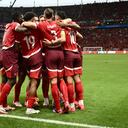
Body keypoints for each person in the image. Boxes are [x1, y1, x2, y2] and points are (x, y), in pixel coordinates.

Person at [22, 8, 69, 113]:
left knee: (51, 81)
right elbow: (65, 33)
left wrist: (23, 22)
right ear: (53, 15)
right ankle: (66, 102)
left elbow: (29, 24)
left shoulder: (41, 25)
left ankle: (57, 108)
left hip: (49, 54)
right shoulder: (59, 24)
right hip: (60, 53)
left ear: (44, 15)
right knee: (61, 80)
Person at [55, 10, 85, 111]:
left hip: (68, 54)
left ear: (59, 18)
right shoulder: (72, 26)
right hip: (76, 53)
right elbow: (81, 36)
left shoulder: (61, 26)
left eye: (56, 17)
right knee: (77, 78)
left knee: (69, 79)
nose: (55, 19)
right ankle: (81, 103)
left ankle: (71, 104)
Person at [0, 12, 26, 114]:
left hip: (5, 52)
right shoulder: (15, 24)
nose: (22, 19)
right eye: (22, 18)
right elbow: (20, 29)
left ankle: (5, 105)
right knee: (12, 80)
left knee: (5, 79)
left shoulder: (9, 25)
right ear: (18, 18)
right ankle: (0, 104)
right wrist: (32, 27)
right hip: (9, 54)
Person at [17, 12, 43, 114]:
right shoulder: (36, 28)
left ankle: (30, 101)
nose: (36, 21)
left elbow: (18, 46)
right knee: (34, 82)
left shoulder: (20, 31)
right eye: (34, 19)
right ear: (31, 20)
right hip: (36, 56)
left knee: (31, 80)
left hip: (25, 58)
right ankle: (30, 107)